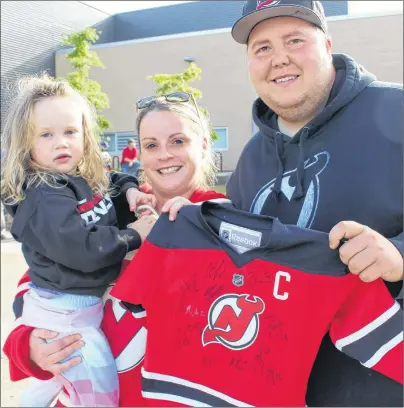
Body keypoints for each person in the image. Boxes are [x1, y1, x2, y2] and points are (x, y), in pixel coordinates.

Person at [227, 0, 403, 406]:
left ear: (327, 45)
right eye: (262, 48)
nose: (279, 59)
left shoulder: (396, 111)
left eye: (294, 40)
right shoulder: (252, 158)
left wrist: (398, 254)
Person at [3, 91, 227, 407]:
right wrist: (28, 348)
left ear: (203, 144)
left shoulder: (222, 217)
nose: (164, 155)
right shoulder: (110, 208)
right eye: (151, 145)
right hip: (87, 388)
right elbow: (36, 285)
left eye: (177, 141)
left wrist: (194, 219)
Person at [0, 74, 156, 407]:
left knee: (50, 387)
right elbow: (85, 250)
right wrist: (134, 236)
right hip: (66, 316)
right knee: (100, 393)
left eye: (70, 131)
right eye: (46, 134)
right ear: (25, 144)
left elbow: (110, 183)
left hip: (73, 307)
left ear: (85, 134)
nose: (61, 143)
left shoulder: (75, 180)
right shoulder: (44, 196)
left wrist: (129, 189)